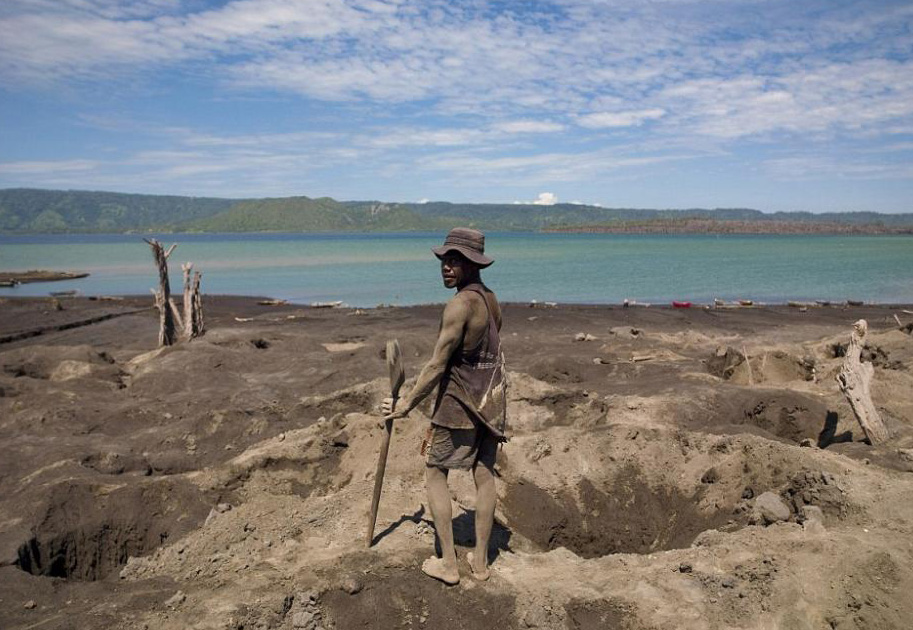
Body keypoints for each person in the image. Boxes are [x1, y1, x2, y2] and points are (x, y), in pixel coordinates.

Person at [382, 227, 506, 585]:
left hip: (461, 402)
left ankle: (449, 565)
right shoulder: (491, 299)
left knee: (435, 473)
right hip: (492, 401)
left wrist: (405, 404)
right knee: (484, 475)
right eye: (444, 260)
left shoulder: (459, 306)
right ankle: (480, 564)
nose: (446, 267)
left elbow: (438, 365)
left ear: (472, 264)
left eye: (455, 261)